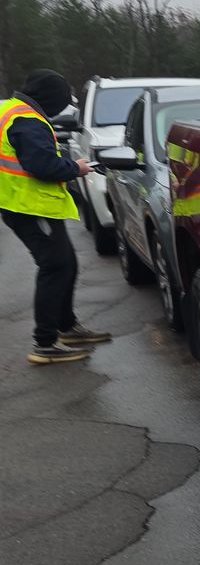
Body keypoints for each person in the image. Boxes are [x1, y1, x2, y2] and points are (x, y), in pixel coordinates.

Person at [0, 70, 112, 364]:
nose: (62, 109)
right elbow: (42, 165)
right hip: (29, 206)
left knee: (66, 264)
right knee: (55, 267)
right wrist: (76, 168)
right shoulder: (28, 120)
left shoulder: (8, 109)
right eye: (61, 102)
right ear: (50, 99)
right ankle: (45, 343)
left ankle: (67, 327)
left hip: (19, 203)